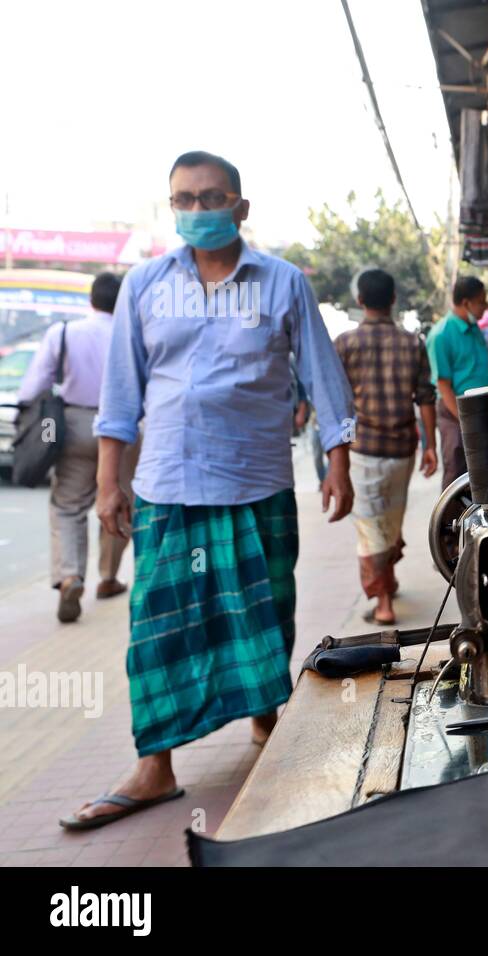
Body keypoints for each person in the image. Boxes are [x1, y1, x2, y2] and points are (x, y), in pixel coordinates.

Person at [60, 150, 356, 830]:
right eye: (185, 200)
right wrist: (109, 483)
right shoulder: (143, 285)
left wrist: (336, 461)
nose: (199, 210)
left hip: (255, 481)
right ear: (173, 208)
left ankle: (263, 718)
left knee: (260, 612)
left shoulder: (283, 283)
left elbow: (320, 375)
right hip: (167, 483)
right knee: (157, 629)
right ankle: (155, 766)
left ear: (241, 207)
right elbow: (120, 395)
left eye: (212, 197)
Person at [17, 272, 139, 622]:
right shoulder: (131, 333)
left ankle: (71, 575)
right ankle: (109, 577)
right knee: (119, 503)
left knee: (68, 505)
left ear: (91, 299)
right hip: (125, 427)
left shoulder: (65, 332)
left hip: (73, 425)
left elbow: (33, 386)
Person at [334, 268, 438, 625]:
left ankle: (383, 604)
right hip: (403, 450)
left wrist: (338, 453)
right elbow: (426, 396)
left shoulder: (344, 344)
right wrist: (431, 444)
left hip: (363, 450)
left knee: (369, 526)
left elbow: (337, 403)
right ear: (393, 299)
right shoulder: (412, 342)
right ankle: (388, 582)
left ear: (360, 300)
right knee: (389, 520)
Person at [428, 275, 488, 490]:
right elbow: (443, 384)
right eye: (481, 302)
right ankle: (446, 522)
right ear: (466, 303)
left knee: (482, 470)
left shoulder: (475, 330)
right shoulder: (441, 334)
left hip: (480, 406)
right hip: (454, 408)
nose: (485, 307)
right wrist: (464, 418)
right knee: (456, 469)